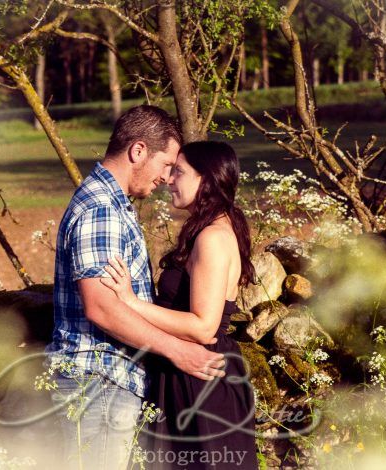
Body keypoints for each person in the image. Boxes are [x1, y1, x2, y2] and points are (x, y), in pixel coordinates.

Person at [45, 106, 226, 470]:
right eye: (166, 164)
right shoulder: (101, 209)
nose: (166, 177)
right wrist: (178, 351)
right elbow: (101, 307)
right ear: (138, 151)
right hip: (98, 379)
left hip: (106, 382)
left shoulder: (114, 204)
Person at [100, 141, 258, 469]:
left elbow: (203, 326)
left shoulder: (213, 238)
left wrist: (131, 302)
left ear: (208, 180)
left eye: (180, 172)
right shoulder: (211, 229)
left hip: (200, 380)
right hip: (189, 374)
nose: (169, 179)